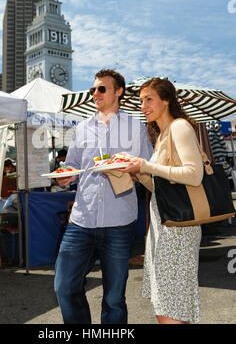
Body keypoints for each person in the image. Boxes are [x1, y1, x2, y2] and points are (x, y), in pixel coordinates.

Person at [54, 69, 152, 324]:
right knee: (64, 287)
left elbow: (148, 167)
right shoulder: (82, 127)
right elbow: (72, 165)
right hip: (81, 220)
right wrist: (64, 177)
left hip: (119, 221)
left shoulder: (136, 127)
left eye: (101, 89)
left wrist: (132, 171)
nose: (95, 94)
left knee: (114, 299)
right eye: (93, 90)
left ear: (118, 91)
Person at [119, 77, 203, 324]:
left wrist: (146, 165)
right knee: (173, 304)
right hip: (165, 225)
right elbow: (162, 187)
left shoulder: (179, 127)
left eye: (149, 99)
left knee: (169, 307)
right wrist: (137, 172)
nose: (143, 105)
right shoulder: (164, 134)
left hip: (178, 229)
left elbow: (194, 175)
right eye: (141, 101)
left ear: (166, 101)